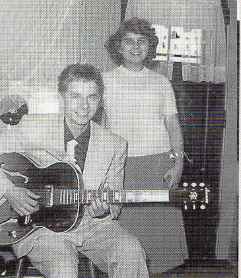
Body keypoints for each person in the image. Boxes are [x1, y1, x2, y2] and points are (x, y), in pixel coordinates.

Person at [0, 63, 149, 278]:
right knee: (64, 267)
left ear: (100, 100)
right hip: (41, 229)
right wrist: (9, 191)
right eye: (75, 97)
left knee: (132, 251)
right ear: (62, 97)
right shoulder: (32, 127)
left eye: (92, 97)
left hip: (92, 225)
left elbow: (114, 197)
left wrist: (106, 209)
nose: (84, 106)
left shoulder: (115, 144)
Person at [103, 18, 188, 274]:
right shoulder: (104, 81)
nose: (136, 47)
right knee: (124, 246)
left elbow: (173, 127)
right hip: (122, 167)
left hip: (158, 166)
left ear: (150, 47)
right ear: (118, 47)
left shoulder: (162, 83)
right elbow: (98, 129)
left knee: (160, 247)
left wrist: (179, 163)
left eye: (142, 42)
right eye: (129, 41)